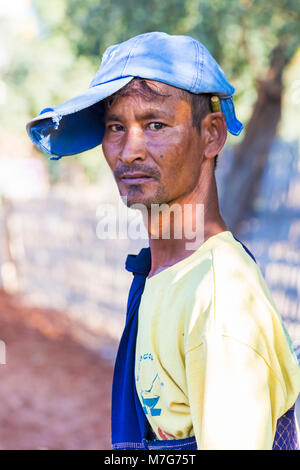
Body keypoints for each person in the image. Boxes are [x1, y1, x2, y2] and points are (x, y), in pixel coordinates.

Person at [26, 32, 300, 450]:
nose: (128, 150)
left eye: (154, 124)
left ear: (211, 134)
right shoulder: (164, 272)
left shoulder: (219, 300)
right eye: (116, 127)